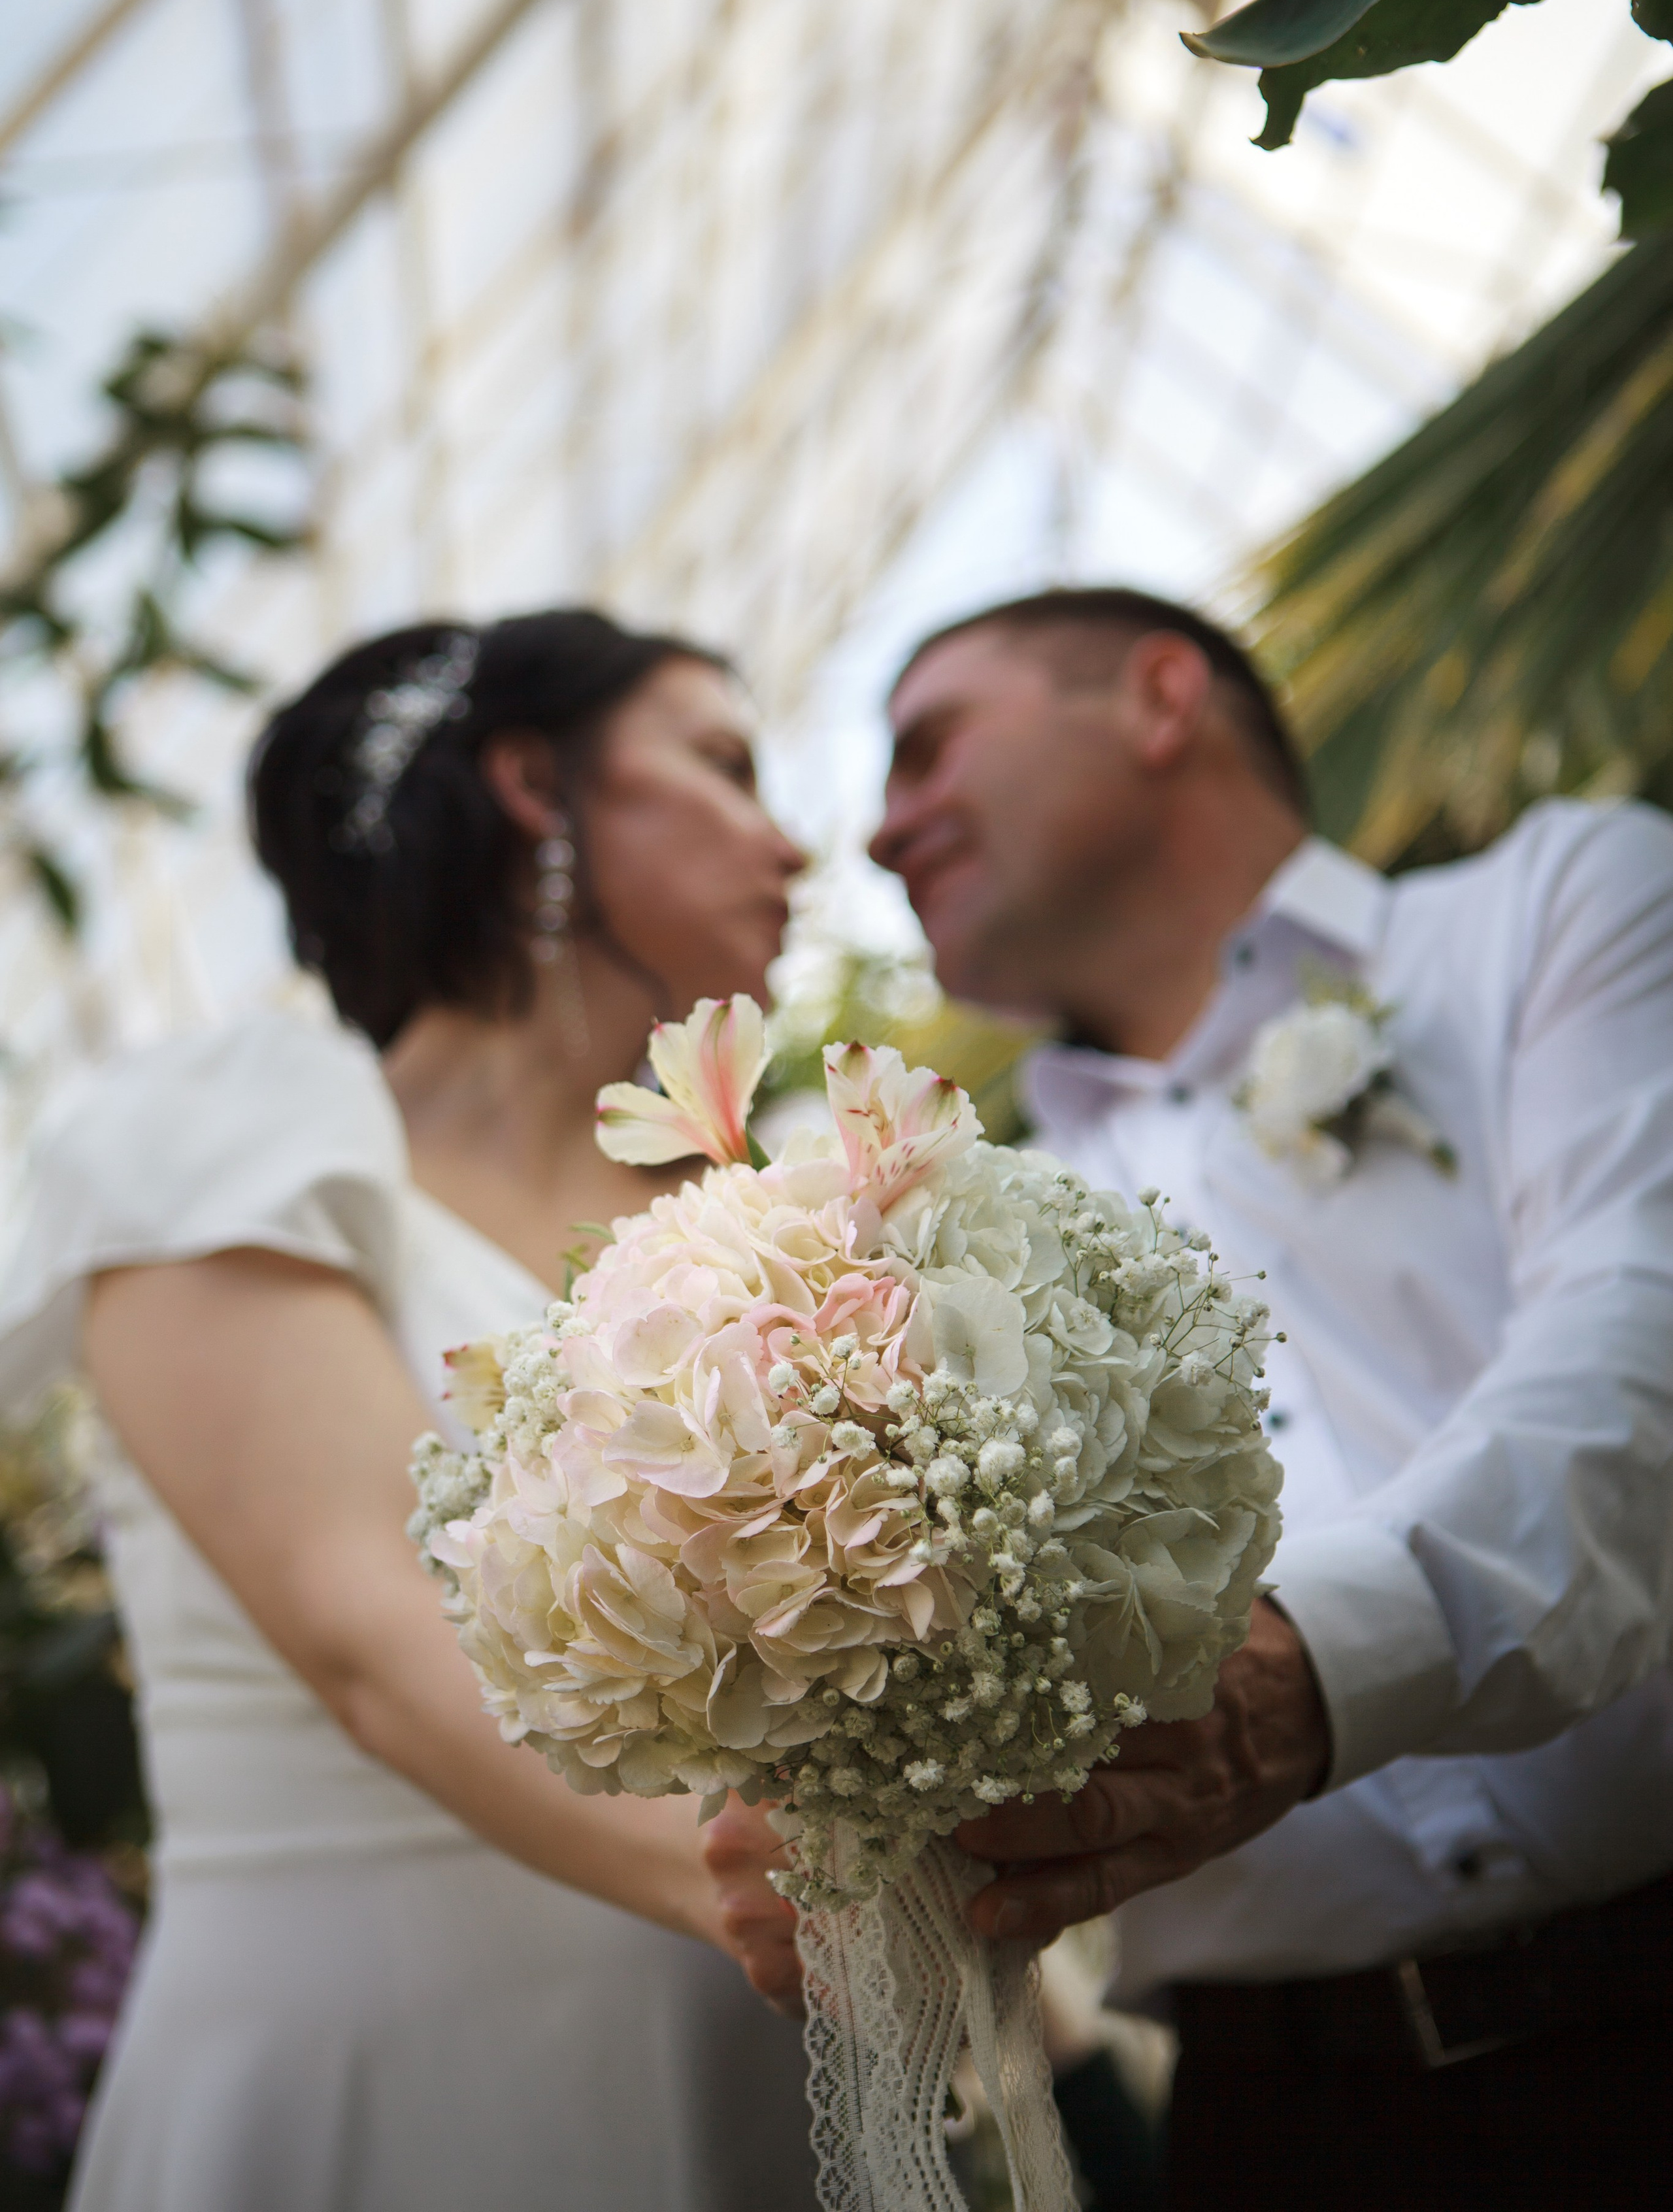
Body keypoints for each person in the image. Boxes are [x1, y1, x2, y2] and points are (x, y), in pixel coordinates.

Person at [706, 584, 1673, 2209]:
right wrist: (865, 1816)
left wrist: (1308, 1675)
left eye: (929, 746)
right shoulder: (938, 1232)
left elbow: (1639, 1340)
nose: (878, 832)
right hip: (1286, 2128)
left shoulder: (1564, 908)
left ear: (1160, 697)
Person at [0, 609, 817, 2212]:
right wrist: (836, 1903)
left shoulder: (767, 1223)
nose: (788, 843)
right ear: (531, 786)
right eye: (722, 766)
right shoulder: (237, 1134)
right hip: (379, 2081)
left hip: (751, 2080)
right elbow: (373, 1638)